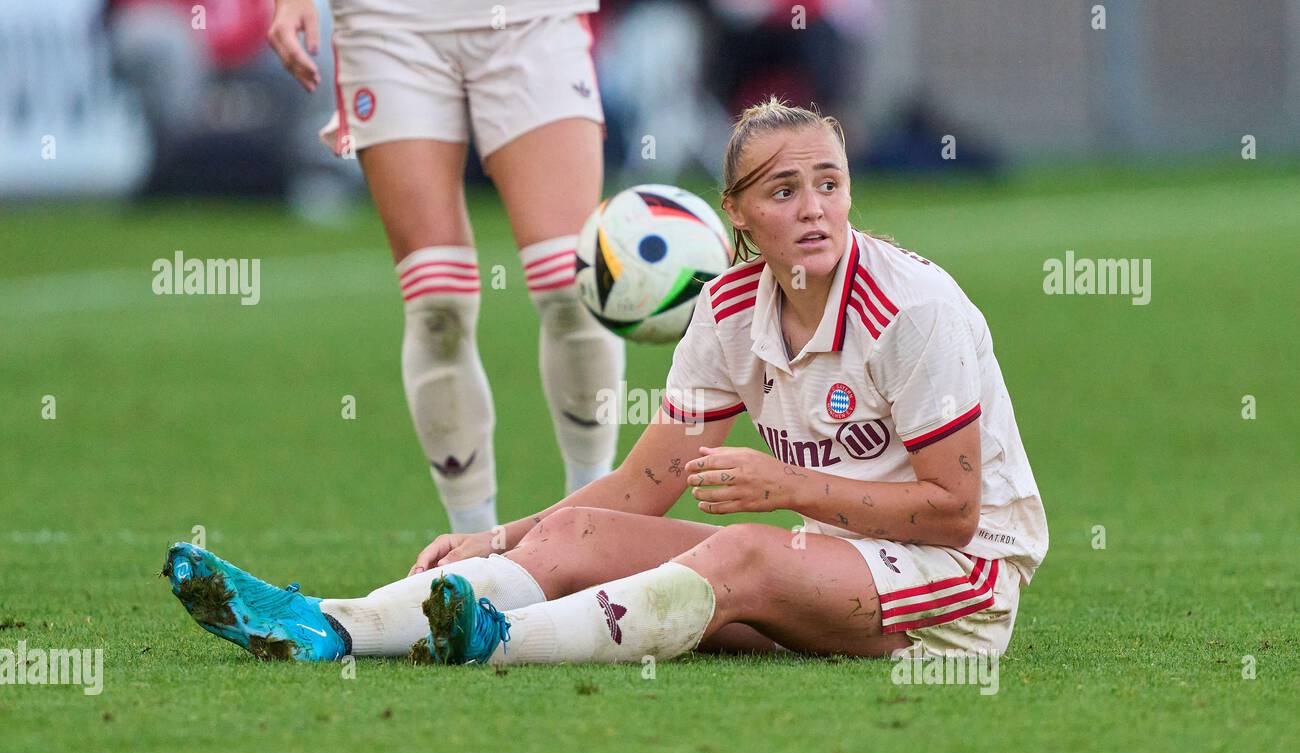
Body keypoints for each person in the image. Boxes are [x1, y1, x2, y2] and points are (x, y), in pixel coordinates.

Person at [160, 98, 1048, 665]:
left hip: (958, 588)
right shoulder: (731, 306)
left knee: (740, 553)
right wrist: (500, 537)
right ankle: (330, 623)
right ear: (735, 216)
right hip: (832, 567)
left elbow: (954, 512)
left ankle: (498, 642)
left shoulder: (914, 306)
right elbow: (643, 487)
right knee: (588, 524)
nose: (814, 208)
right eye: (783, 192)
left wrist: (785, 486)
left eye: (829, 183)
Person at [265, 0, 625, 532]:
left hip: (529, 18)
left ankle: (591, 526)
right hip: (388, 22)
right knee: (438, 304)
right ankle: (471, 548)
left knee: (572, 287)